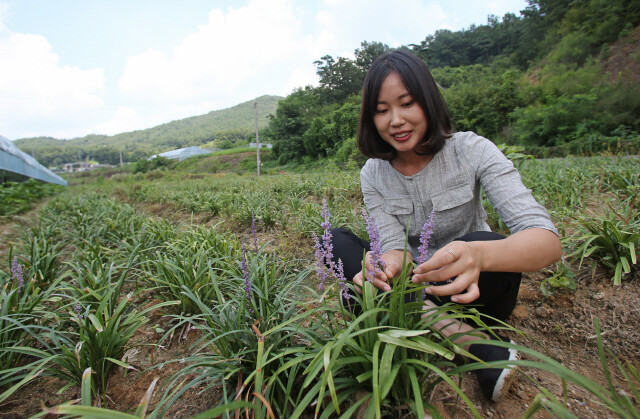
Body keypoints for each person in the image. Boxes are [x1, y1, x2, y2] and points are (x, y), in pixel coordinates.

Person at [329, 49, 562, 402]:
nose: (395, 120)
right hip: (412, 283)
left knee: (486, 239)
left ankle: (403, 316)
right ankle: (468, 340)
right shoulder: (373, 173)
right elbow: (394, 248)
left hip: (470, 289)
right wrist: (382, 268)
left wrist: (478, 255)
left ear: (427, 100)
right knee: (337, 243)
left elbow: (545, 239)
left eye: (406, 103)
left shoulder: (473, 150)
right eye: (381, 110)